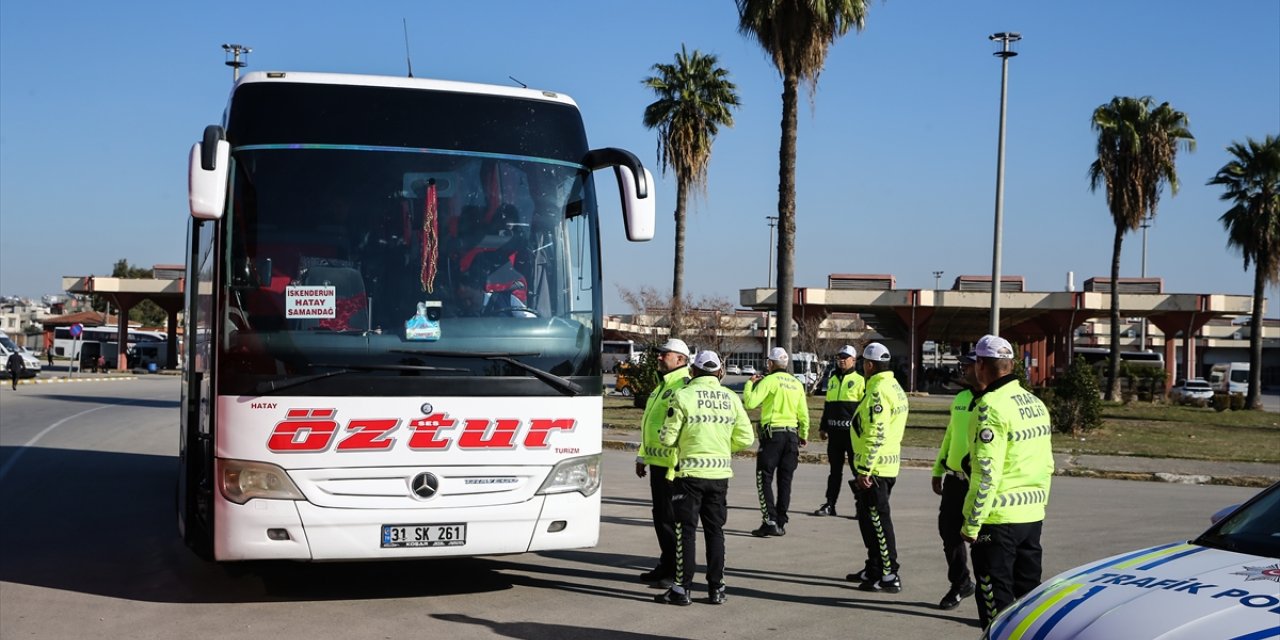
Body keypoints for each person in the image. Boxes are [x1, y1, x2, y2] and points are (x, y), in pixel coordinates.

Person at [961, 334, 1054, 628]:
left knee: (996, 612)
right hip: (1032, 518)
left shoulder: (989, 407)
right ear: (1011, 365)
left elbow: (986, 473)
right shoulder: (1036, 403)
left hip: (998, 522)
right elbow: (1047, 464)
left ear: (981, 365)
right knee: (1028, 605)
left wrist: (971, 524)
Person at [654, 350, 755, 606]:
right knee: (715, 531)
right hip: (719, 475)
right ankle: (717, 588)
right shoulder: (731, 397)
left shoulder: (683, 395)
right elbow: (746, 438)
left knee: (685, 532)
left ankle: (682, 589)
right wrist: (721, 447)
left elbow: (666, 437)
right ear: (718, 372)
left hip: (689, 474)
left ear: (693, 371)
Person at [846, 342, 908, 593]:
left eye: (863, 363)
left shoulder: (878, 391)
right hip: (885, 465)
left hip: (876, 469)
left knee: (878, 522)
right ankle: (874, 567)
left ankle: (889, 573)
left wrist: (865, 469)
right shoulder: (894, 386)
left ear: (869, 365)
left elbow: (877, 432)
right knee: (868, 519)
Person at [635, 338, 692, 589]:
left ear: (680, 359)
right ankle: (665, 563)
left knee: (671, 521)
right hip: (657, 462)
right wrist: (641, 455)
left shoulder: (682, 386)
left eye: (664, 354)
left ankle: (674, 571)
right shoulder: (663, 385)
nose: (659, 358)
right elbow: (650, 424)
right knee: (661, 517)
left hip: (673, 466)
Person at [930, 351, 981, 610]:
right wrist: (938, 469)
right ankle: (961, 582)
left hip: (980, 482)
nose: (963, 370)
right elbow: (951, 435)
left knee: (982, 541)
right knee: (948, 532)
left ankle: (990, 593)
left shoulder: (992, 401)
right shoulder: (960, 398)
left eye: (967, 365)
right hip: (954, 480)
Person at [742, 347, 809, 537]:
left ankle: (769, 520)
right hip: (791, 437)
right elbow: (803, 414)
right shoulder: (796, 384)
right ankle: (781, 521)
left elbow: (751, 403)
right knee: (785, 481)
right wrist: (802, 434)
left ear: (770, 363)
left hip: (773, 436)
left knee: (764, 478)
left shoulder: (769, 381)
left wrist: (750, 384)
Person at [814, 344, 865, 517]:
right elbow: (828, 405)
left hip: (852, 436)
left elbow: (864, 410)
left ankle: (862, 506)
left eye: (845, 357)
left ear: (854, 360)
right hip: (834, 434)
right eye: (839, 358)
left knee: (857, 471)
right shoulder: (833, 379)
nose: (842, 361)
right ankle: (830, 504)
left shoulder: (860, 380)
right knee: (834, 472)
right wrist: (823, 427)